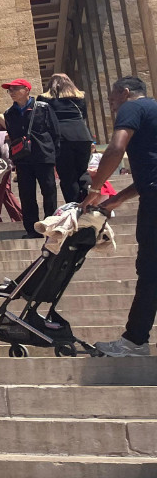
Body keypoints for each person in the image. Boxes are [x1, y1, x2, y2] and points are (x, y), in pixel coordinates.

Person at [82, 76, 157, 356]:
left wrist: (95, 188)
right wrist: (114, 201)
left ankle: (135, 341)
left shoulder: (132, 107)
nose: (112, 105)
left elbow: (115, 148)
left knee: (150, 271)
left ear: (124, 92)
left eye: (112, 98)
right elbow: (149, 176)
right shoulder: (154, 110)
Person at [3, 78, 61, 240]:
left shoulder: (43, 107)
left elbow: (55, 132)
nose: (12, 92)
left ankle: (50, 227)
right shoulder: (9, 114)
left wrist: (54, 154)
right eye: (10, 90)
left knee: (49, 191)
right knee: (26, 195)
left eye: (15, 89)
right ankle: (32, 229)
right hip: (23, 159)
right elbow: (13, 136)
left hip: (43, 156)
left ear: (27, 90)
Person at [43, 73, 94, 203]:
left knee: (67, 175)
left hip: (62, 138)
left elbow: (44, 120)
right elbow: (83, 116)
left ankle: (73, 205)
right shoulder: (80, 98)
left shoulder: (45, 99)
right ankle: (88, 201)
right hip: (83, 136)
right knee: (82, 171)